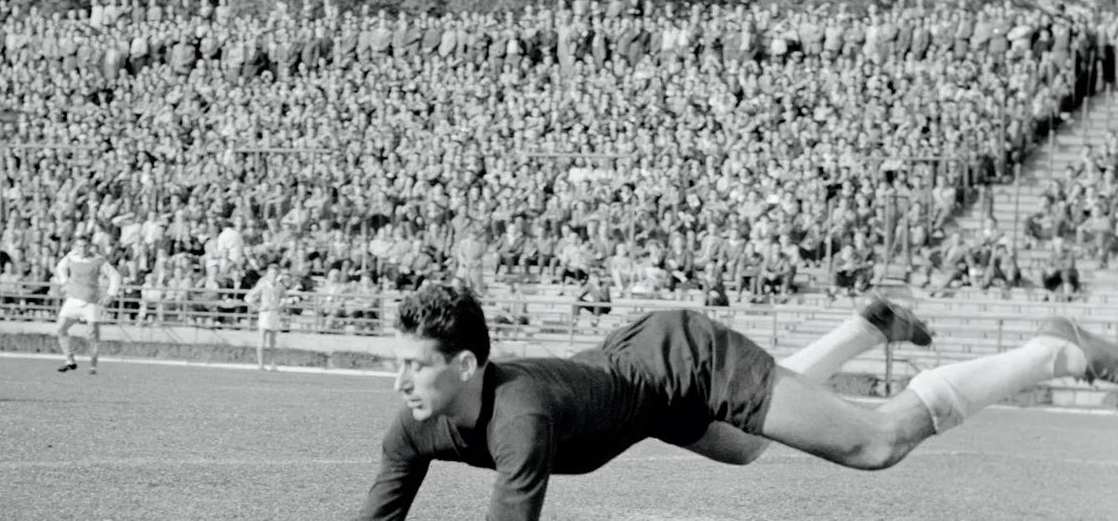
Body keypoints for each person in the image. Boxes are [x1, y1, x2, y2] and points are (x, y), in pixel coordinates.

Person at [357, 285, 1117, 521]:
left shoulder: (520, 420)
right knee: (744, 445)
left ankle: (1052, 347)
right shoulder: (414, 428)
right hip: (643, 383)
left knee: (876, 444)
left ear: (464, 364)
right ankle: (864, 328)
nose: (399, 385)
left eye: (414, 369)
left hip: (684, 360)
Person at [52, 235, 121, 375]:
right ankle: (69, 360)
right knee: (60, 328)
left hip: (91, 302)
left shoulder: (98, 260)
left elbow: (115, 275)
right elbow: (60, 268)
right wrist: (64, 282)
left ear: (90, 246)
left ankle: (92, 366)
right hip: (73, 300)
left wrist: (111, 294)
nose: (82, 249)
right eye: (79, 246)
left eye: (85, 246)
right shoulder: (70, 257)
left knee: (92, 334)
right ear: (75, 247)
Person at [245, 265, 288, 371]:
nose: (273, 276)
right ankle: (260, 364)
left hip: (274, 314)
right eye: (271, 273)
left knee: (272, 341)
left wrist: (281, 305)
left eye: (275, 273)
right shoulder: (263, 285)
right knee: (262, 340)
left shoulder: (280, 286)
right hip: (265, 313)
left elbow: (284, 298)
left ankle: (272, 364)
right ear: (268, 274)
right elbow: (248, 297)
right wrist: (258, 307)